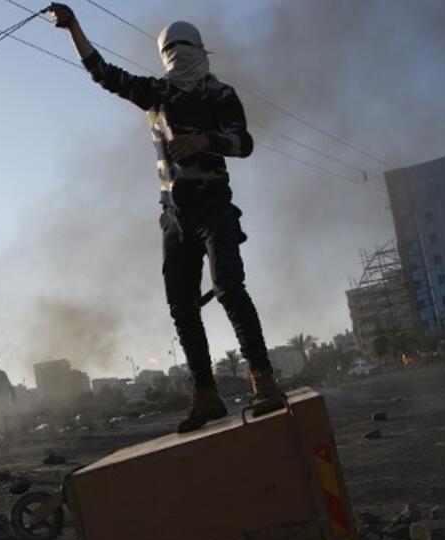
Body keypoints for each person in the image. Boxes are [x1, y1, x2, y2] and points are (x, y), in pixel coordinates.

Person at [49, 4, 284, 432]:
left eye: (184, 47)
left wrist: (203, 141)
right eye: (170, 49)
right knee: (181, 305)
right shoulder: (158, 94)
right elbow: (103, 73)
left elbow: (243, 143)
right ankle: (205, 394)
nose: (178, 55)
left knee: (229, 286)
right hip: (174, 214)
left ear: (200, 49)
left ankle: (263, 380)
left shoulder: (220, 95)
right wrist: (73, 27)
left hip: (214, 205)